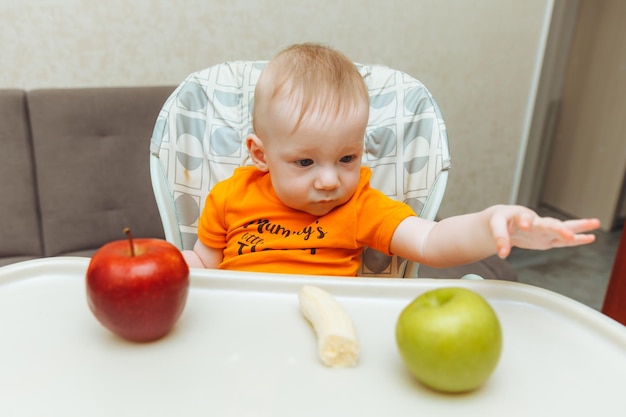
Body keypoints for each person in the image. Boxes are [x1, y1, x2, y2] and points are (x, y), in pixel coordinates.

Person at [182, 42, 600, 275]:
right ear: (260, 154)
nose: (330, 180)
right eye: (305, 163)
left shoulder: (361, 206)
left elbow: (432, 241)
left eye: (347, 157)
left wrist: (490, 225)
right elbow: (204, 264)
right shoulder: (228, 198)